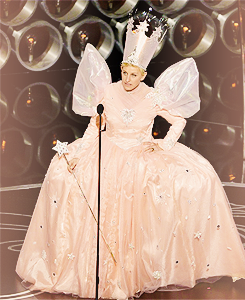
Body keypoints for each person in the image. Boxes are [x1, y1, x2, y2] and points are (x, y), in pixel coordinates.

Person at [16, 12, 245, 300]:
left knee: (193, 180)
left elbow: (179, 121)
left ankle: (143, 268)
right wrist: (81, 153)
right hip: (109, 148)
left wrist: (161, 145)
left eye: (134, 74)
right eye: (124, 72)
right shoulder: (108, 92)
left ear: (143, 75)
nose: (127, 78)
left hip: (139, 150)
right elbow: (94, 128)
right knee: (67, 174)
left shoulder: (152, 96)